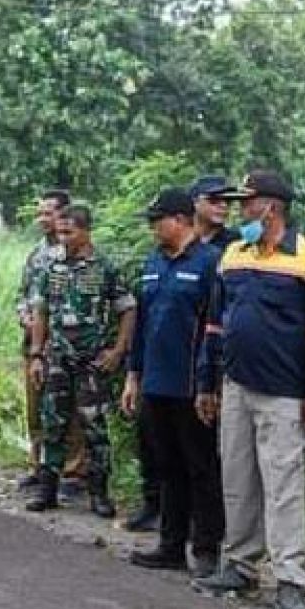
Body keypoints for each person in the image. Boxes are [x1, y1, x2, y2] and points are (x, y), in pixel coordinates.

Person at [193, 170, 305, 609]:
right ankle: (240, 564)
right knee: (237, 479)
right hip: (236, 386)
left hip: (284, 393)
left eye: (246, 202)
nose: (239, 210)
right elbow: (215, 323)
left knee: (283, 487)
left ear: (269, 207)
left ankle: (291, 579)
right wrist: (207, 381)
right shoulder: (233, 254)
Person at [121, 188, 223, 579]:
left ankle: (207, 548)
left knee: (201, 467)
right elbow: (143, 324)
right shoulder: (153, 262)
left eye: (157, 220)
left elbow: (215, 327)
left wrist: (209, 383)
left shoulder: (210, 263)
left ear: (180, 220)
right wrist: (133, 375)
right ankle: (171, 545)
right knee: (166, 467)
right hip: (155, 381)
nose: (153, 228)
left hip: (191, 385)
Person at [26, 204, 135, 516]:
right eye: (60, 233)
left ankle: (99, 493)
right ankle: (47, 489)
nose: (62, 238)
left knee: (94, 427)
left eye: (68, 232)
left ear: (86, 231)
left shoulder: (104, 268)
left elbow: (127, 308)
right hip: (57, 358)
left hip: (91, 361)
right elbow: (41, 311)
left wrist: (118, 351)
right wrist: (37, 354)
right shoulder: (51, 266)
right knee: (52, 423)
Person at [17, 189, 87, 490]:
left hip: (67, 342)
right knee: (36, 407)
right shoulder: (37, 253)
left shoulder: (78, 253)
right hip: (35, 343)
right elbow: (24, 293)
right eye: (40, 213)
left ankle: (73, 471)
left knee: (71, 410)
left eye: (49, 213)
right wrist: (25, 315)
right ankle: (39, 465)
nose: (42, 219)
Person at [191, 175, 238, 253]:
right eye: (215, 199)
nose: (223, 205)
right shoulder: (179, 239)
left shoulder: (236, 242)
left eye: (228, 200)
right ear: (195, 202)